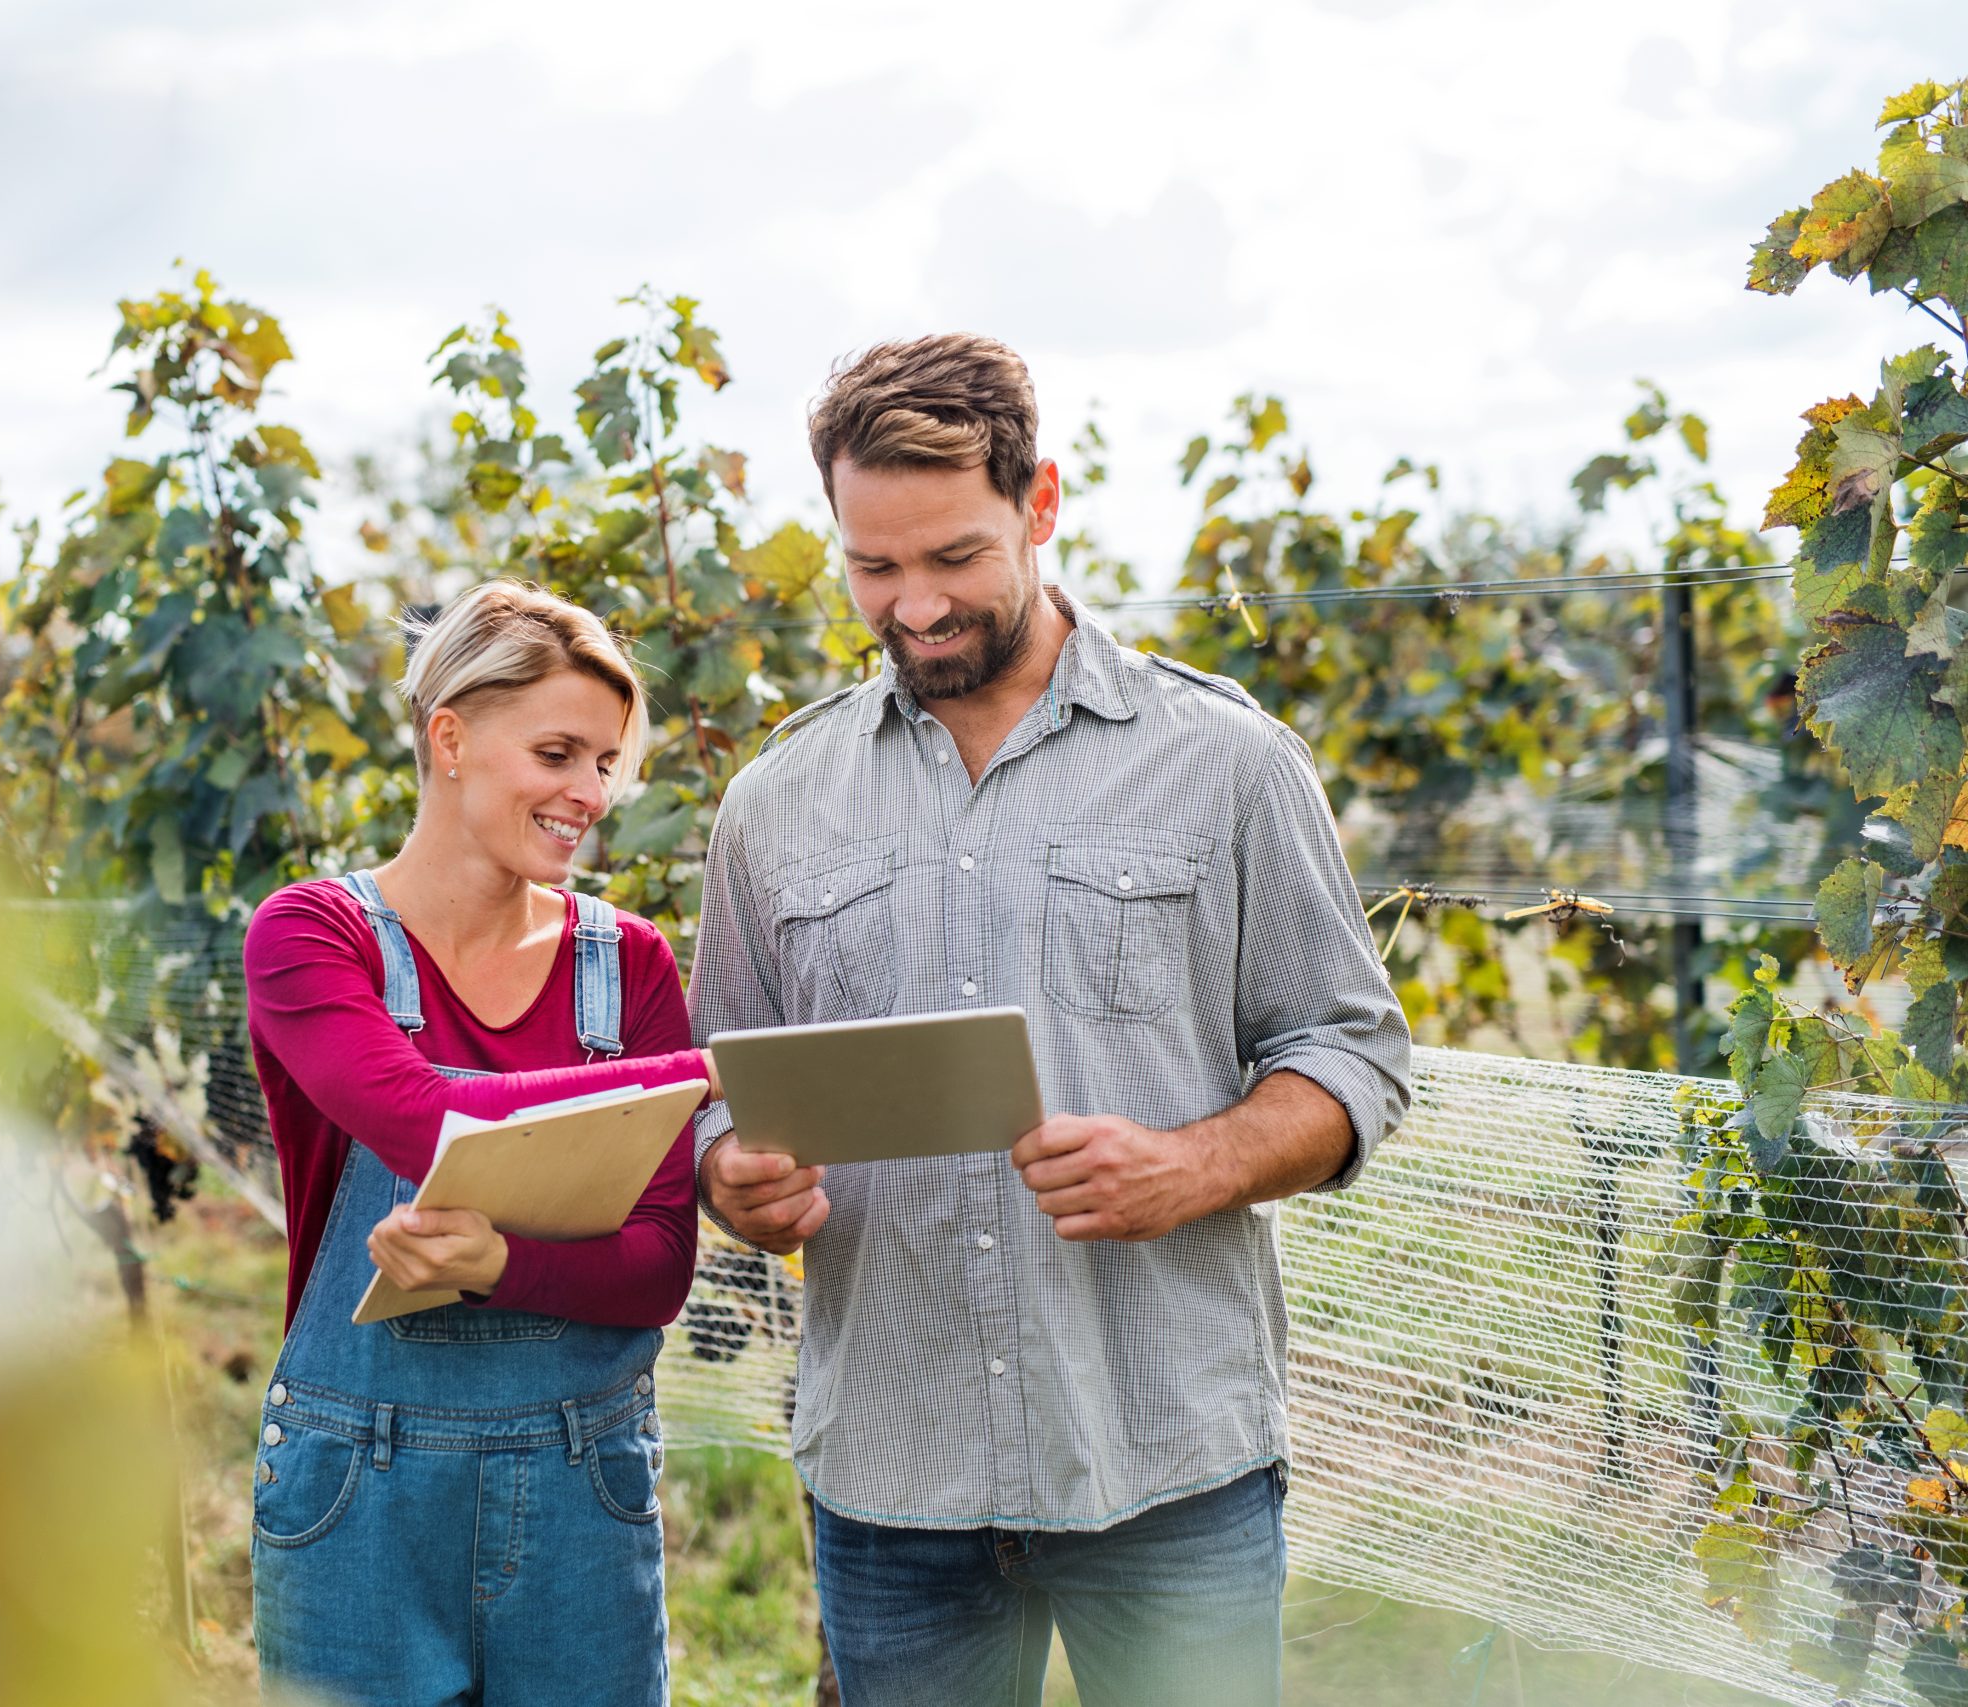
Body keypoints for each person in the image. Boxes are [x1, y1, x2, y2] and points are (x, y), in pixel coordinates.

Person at [688, 336, 1413, 1706]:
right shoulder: (773, 806)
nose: (914, 604)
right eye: (873, 567)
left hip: (1164, 1464)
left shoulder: (1226, 763)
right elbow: (721, 1089)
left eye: (953, 556)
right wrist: (735, 1176)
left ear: (1041, 502)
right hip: (892, 1475)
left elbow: (1353, 1051)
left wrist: (1192, 1164)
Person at [241, 580, 712, 1707]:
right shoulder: (312, 937)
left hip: (580, 1481)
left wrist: (500, 1264)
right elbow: (424, 1118)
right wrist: (693, 1077)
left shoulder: (629, 965)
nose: (589, 794)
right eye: (558, 753)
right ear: (448, 737)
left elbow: (659, 1270)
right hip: (360, 1486)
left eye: (605, 763)